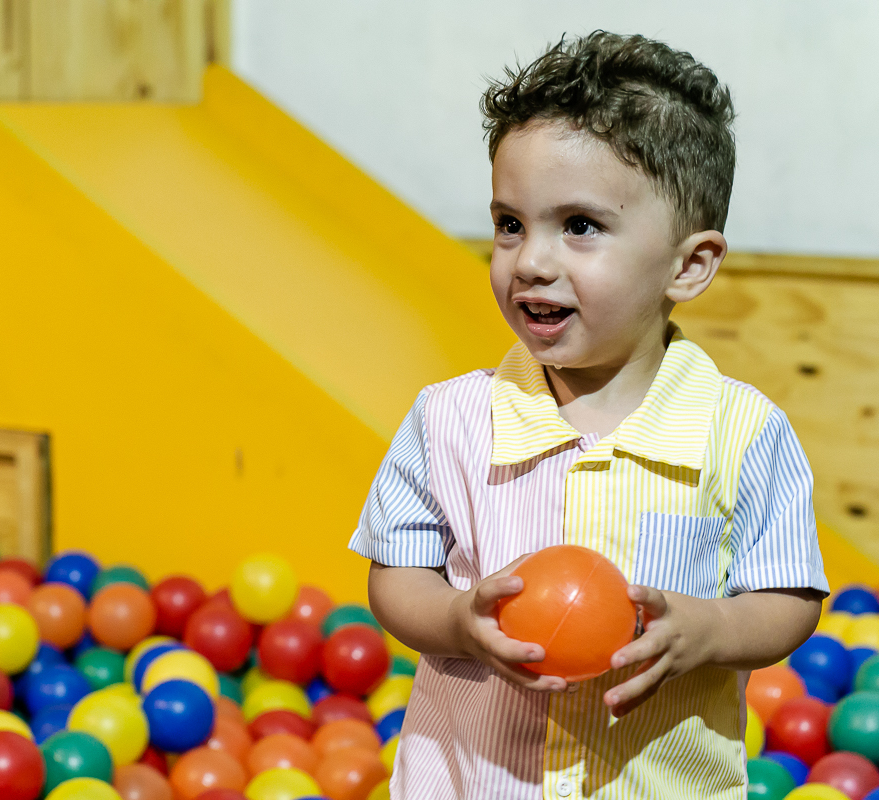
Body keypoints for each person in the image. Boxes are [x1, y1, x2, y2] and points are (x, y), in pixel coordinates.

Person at [348, 31, 826, 799]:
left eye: (580, 226)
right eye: (510, 223)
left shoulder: (743, 431)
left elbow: (789, 596)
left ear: (689, 264)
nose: (531, 260)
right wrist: (455, 619)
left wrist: (710, 631)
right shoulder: (448, 421)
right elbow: (396, 573)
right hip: (474, 780)